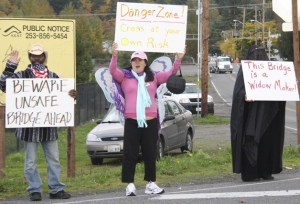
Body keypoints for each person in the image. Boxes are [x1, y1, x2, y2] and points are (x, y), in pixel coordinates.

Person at [0, 44, 74, 201]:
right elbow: (4, 86)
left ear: (44, 57)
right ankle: (34, 189)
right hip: (29, 128)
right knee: (30, 161)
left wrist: (71, 95)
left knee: (54, 159)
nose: (36, 58)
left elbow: (62, 97)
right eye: (33, 56)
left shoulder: (54, 77)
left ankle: (56, 189)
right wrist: (10, 67)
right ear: (29, 57)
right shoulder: (21, 76)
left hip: (49, 127)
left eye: (39, 55)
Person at [109, 42, 185, 196]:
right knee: (130, 153)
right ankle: (129, 184)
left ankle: (151, 183)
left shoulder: (154, 77)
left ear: (145, 62)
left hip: (150, 121)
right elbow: (112, 70)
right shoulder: (124, 76)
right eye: (134, 60)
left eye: (140, 60)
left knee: (150, 153)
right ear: (131, 63)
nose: (137, 62)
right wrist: (114, 55)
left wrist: (178, 59)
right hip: (132, 121)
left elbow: (171, 73)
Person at [230, 45, 286, 182]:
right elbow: (238, 93)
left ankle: (265, 171)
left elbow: (278, 90)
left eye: (261, 54)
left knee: (267, 144)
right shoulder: (245, 71)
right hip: (250, 117)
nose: (258, 57)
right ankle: (250, 173)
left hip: (268, 118)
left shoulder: (271, 71)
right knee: (250, 143)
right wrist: (244, 96)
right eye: (255, 55)